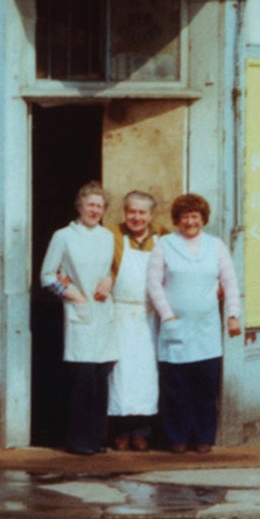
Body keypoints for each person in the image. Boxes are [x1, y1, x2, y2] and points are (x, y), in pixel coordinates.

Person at [149, 191, 245, 454]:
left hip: (207, 329)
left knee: (204, 387)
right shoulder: (165, 245)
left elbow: (230, 282)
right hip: (175, 326)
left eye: (195, 216)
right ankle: (176, 438)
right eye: (184, 217)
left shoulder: (216, 246)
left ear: (203, 218)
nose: (190, 222)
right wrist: (167, 315)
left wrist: (233, 316)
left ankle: (203, 437)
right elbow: (153, 284)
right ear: (177, 219)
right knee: (176, 388)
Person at [37, 180, 125, 456]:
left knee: (101, 381)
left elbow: (111, 269)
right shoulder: (63, 236)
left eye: (100, 206)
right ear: (79, 206)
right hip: (80, 312)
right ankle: (79, 441)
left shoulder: (108, 237)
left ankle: (98, 439)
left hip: (103, 313)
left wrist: (110, 280)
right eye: (91, 204)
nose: (95, 210)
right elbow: (47, 275)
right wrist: (69, 292)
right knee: (83, 381)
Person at [104, 188, 166, 449]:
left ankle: (142, 432)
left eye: (142, 212)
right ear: (125, 212)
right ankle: (120, 431)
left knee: (146, 375)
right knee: (119, 375)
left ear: (151, 215)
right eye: (132, 211)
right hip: (119, 314)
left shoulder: (164, 238)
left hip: (149, 315)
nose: (136, 217)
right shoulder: (112, 235)